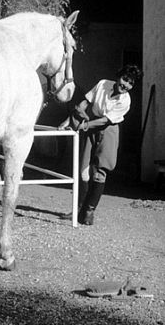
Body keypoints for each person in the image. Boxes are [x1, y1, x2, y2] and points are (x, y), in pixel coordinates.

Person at [59, 64, 143, 225]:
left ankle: (89, 211)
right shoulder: (103, 83)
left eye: (130, 83)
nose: (125, 85)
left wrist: (84, 126)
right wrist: (77, 113)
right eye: (125, 79)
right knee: (83, 170)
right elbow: (85, 101)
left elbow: (105, 120)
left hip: (108, 131)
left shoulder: (125, 101)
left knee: (100, 171)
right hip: (91, 125)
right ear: (119, 76)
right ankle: (77, 210)